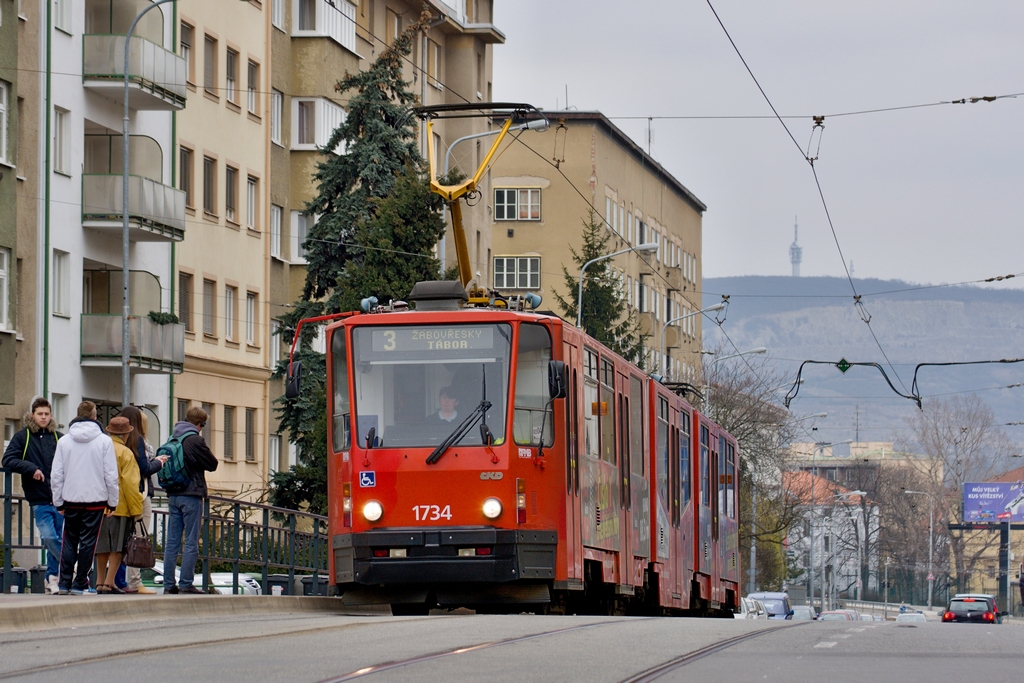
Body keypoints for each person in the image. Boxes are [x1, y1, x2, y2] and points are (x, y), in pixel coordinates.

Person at [50, 401, 118, 595]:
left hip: (71, 498)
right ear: (95, 417)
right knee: (89, 542)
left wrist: (58, 501)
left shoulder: (64, 441)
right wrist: (112, 501)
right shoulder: (104, 441)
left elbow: (56, 474)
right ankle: (80, 583)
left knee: (69, 540)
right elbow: (110, 475)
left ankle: (64, 582)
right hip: (96, 499)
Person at [2, 398, 65, 594]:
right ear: (32, 415)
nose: (43, 417)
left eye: (46, 414)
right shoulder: (23, 437)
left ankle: (52, 578)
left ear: (51, 415)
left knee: (58, 536)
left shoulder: (59, 438)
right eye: (40, 414)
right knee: (49, 536)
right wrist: (31, 468)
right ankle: (70, 563)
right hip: (39, 498)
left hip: (61, 498)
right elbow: (8, 459)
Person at [163, 406, 218, 595]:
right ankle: (186, 583)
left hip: (173, 494)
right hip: (191, 494)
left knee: (172, 542)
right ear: (200, 423)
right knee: (191, 541)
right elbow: (213, 464)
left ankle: (169, 584)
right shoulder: (195, 439)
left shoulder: (173, 438)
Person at [118, 407, 167, 594]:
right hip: (139, 493)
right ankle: (134, 582)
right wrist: (159, 462)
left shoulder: (115, 441)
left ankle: (110, 580)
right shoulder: (137, 440)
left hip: (120, 494)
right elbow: (143, 468)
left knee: (119, 541)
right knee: (138, 538)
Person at [93, 416, 143, 594]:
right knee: (118, 547)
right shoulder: (125, 453)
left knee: (101, 546)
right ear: (126, 434)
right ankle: (109, 582)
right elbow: (130, 484)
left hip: (98, 504)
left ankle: (99, 581)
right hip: (120, 506)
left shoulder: (99, 448)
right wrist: (136, 510)